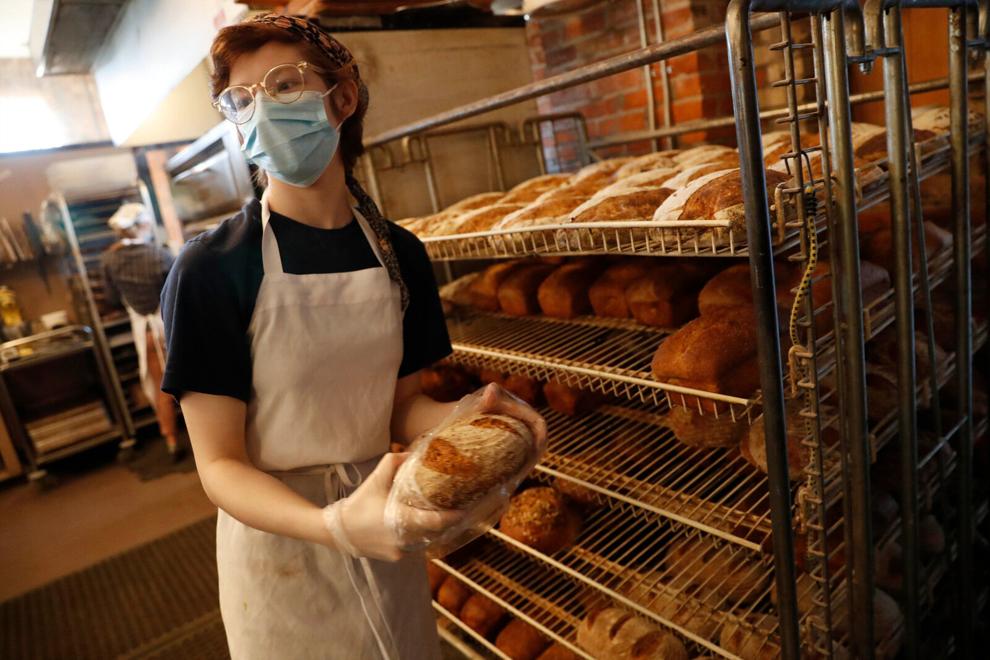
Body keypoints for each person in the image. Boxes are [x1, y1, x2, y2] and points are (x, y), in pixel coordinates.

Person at [160, 14, 546, 660]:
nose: (263, 111)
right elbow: (220, 466)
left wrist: (470, 418)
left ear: (342, 98)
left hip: (383, 524)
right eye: (243, 99)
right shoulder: (211, 269)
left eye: (284, 86)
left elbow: (397, 408)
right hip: (282, 555)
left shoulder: (401, 254)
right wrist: (332, 525)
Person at [102, 203, 181, 458]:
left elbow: (112, 298)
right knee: (195, 385)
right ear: (143, 226)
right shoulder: (159, 254)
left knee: (160, 389)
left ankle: (171, 441)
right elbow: (179, 290)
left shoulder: (109, 260)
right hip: (171, 327)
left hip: (144, 332)